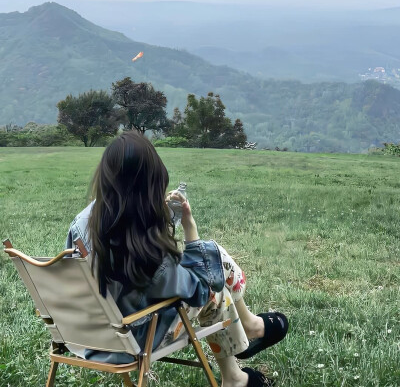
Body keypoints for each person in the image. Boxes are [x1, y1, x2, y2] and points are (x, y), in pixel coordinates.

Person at [65, 131, 288, 387]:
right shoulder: (148, 253)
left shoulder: (82, 223)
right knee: (215, 285)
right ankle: (240, 360)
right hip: (132, 340)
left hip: (87, 338)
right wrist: (190, 231)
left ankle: (247, 335)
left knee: (212, 265)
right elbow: (197, 290)